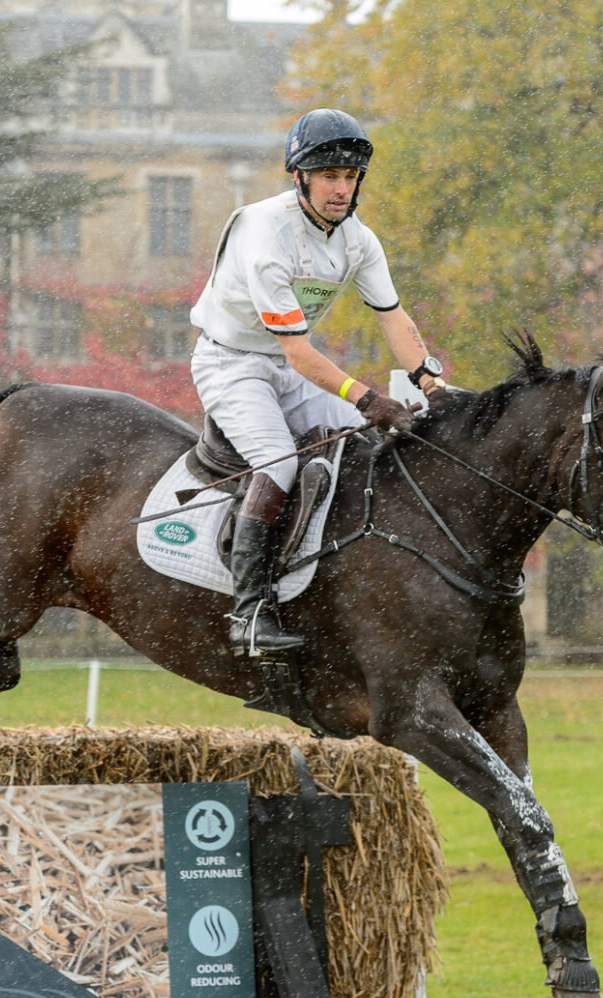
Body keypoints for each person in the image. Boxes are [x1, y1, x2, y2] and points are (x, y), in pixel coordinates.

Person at [189, 107, 449, 658]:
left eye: (351, 177)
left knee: (367, 444)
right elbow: (301, 352)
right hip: (231, 364)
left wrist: (430, 380)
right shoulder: (264, 232)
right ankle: (250, 613)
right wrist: (366, 396)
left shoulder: (358, 239)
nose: (342, 189)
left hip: (287, 369)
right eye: (330, 175)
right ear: (300, 176)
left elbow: (394, 318)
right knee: (279, 462)